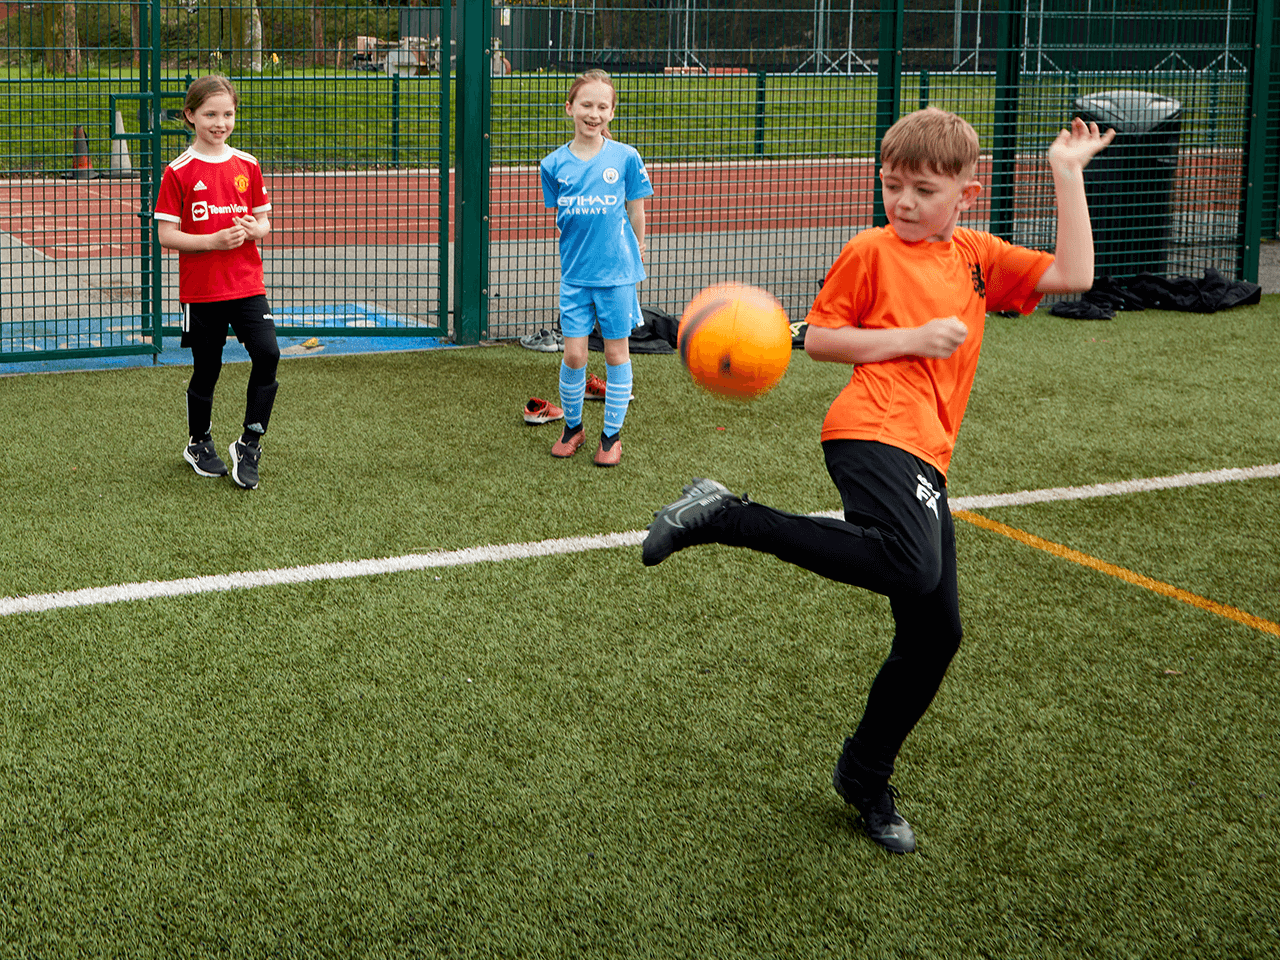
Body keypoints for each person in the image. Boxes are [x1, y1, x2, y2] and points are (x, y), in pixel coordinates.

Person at [641, 107, 1114, 854]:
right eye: (892, 185)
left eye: (923, 189)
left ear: (967, 191)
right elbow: (821, 338)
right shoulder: (871, 249)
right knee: (908, 560)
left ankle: (864, 777)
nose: (903, 201)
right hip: (869, 429)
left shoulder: (976, 255)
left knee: (935, 637)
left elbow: (1075, 275)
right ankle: (722, 513)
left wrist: (1064, 173)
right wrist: (913, 339)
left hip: (927, 451)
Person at [155, 75, 278, 491]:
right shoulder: (178, 172)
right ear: (190, 116)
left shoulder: (248, 164)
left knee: (268, 354)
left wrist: (255, 230)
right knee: (207, 368)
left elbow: (264, 221)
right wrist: (211, 240)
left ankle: (249, 443)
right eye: (210, 114)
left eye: (227, 114)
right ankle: (198, 441)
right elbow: (166, 235)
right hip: (201, 291)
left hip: (247, 284)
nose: (219, 122)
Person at [539, 69, 652, 467]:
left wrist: (638, 245)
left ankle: (611, 436)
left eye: (602, 107)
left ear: (612, 113)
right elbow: (562, 217)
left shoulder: (625, 157)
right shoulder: (552, 165)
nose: (594, 113)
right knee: (574, 356)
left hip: (618, 277)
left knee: (617, 355)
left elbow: (635, 210)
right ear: (570, 108)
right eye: (586, 105)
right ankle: (573, 428)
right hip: (575, 278)